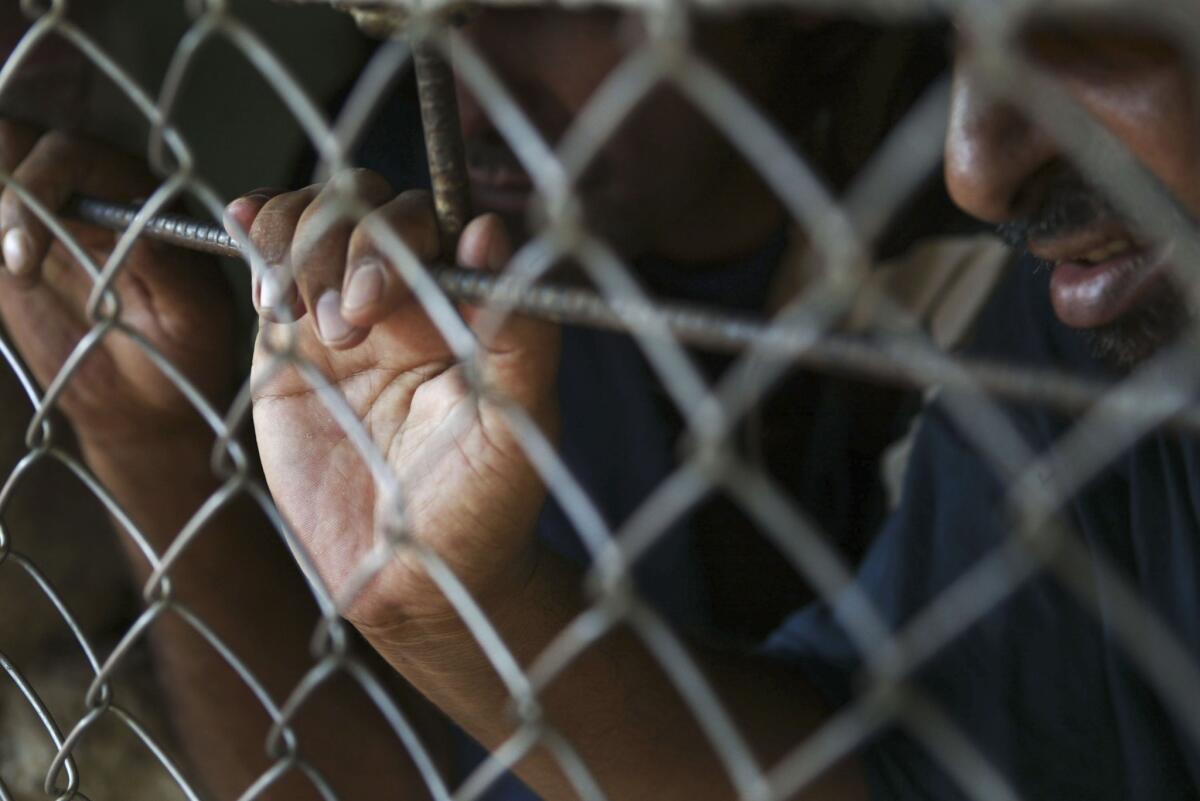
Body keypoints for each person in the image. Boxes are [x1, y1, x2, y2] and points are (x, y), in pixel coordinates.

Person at [225, 4, 1200, 801]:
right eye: (956, 32)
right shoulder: (1092, 349)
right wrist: (441, 602)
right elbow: (899, 767)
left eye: (1085, 29)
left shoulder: (999, 296)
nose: (975, 172)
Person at [0, 5, 969, 801]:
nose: (472, 97)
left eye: (568, 10)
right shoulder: (393, 197)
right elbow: (349, 775)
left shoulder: (987, 235)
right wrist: (145, 431)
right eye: (436, 23)